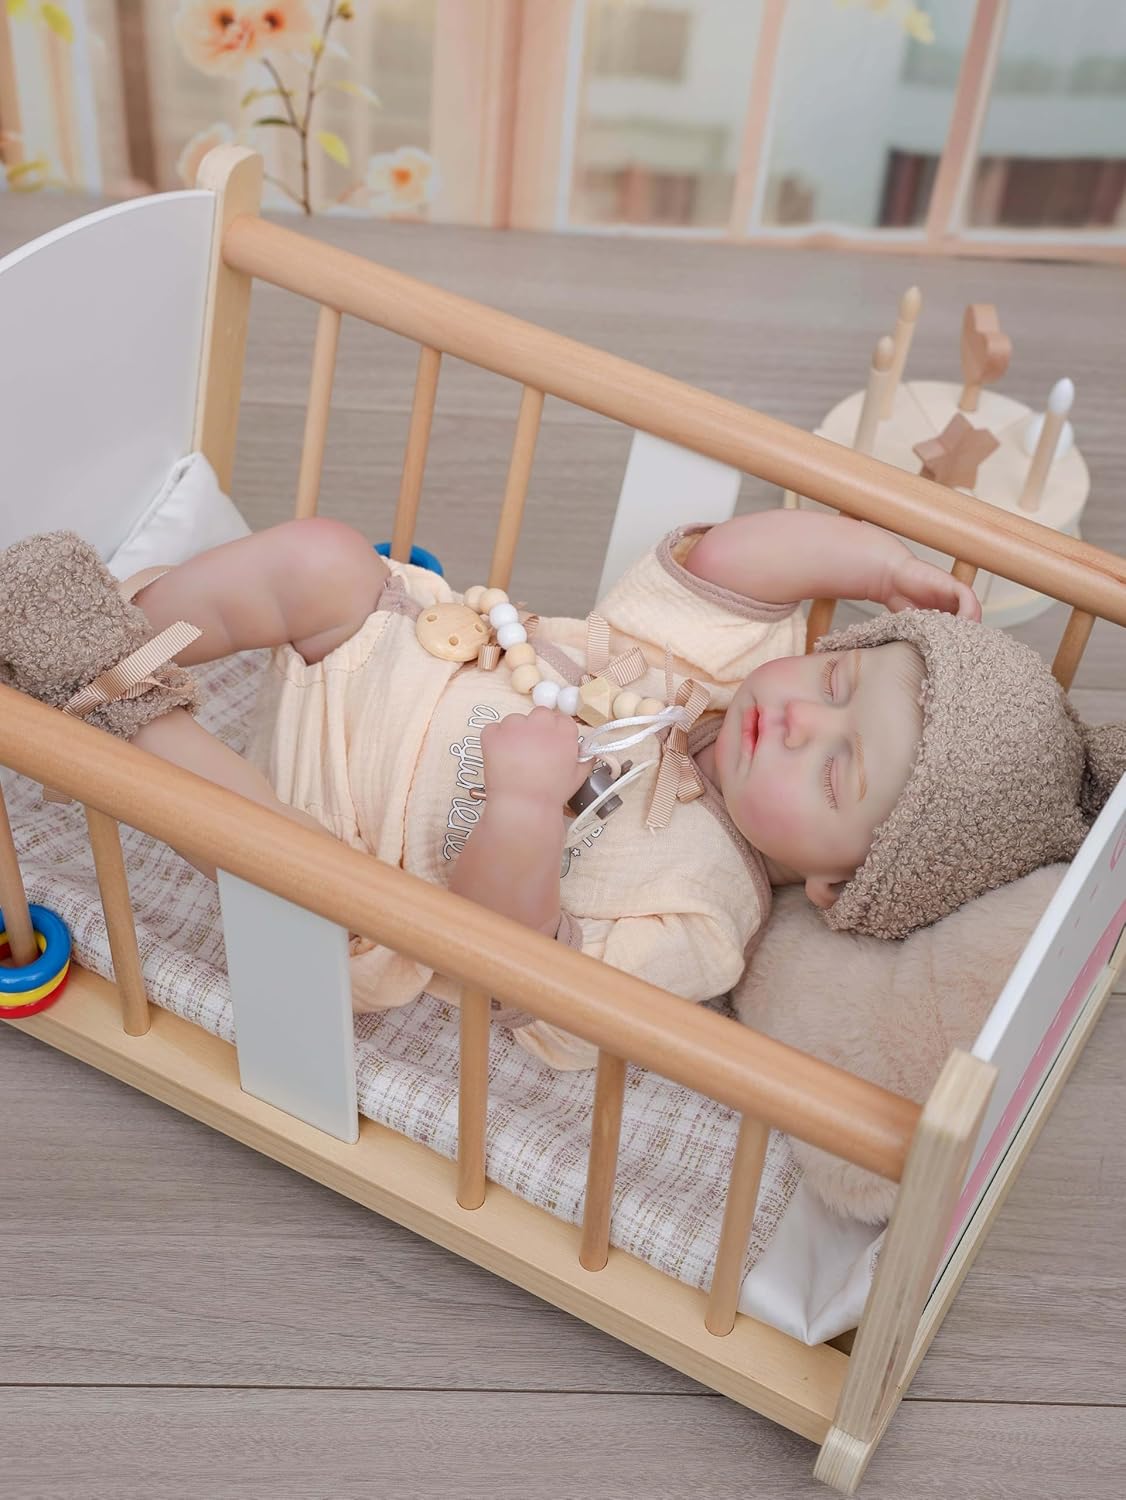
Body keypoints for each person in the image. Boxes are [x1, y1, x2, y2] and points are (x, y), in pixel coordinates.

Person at [2, 511, 1121, 1068]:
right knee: (323, 557)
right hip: (376, 658)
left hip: (351, 848)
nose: (801, 719)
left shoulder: (700, 919)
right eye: (835, 680)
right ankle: (112, 637)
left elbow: (506, 963)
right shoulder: (711, 681)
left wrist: (526, 811)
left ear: (839, 884)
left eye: (836, 768)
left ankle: (104, 705)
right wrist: (878, 565)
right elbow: (728, 562)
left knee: (265, 847)